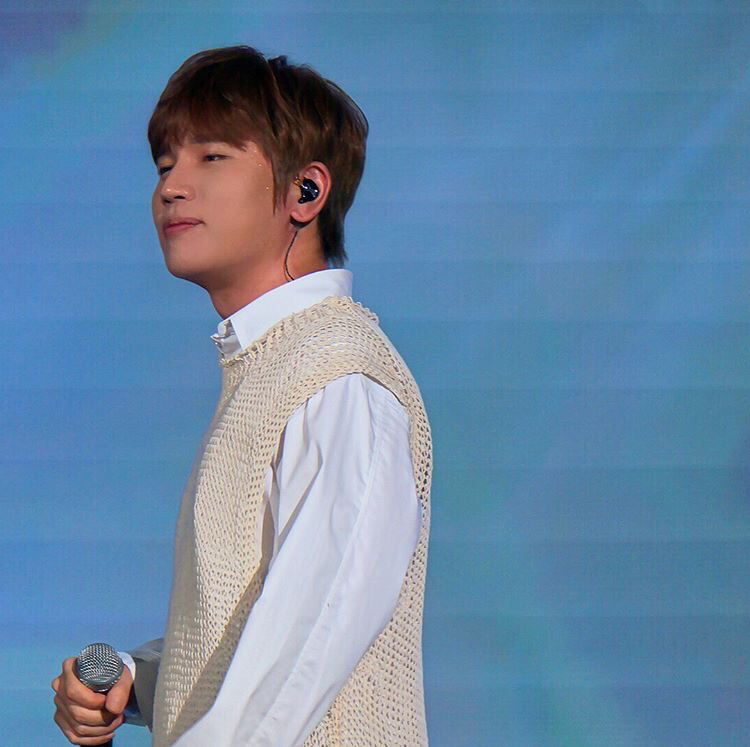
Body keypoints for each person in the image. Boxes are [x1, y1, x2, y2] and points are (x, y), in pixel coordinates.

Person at [51, 45, 432, 746]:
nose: (172, 187)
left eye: (212, 157)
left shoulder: (339, 376)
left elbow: (308, 645)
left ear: (305, 192)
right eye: (164, 165)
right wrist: (141, 678)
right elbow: (269, 639)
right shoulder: (271, 368)